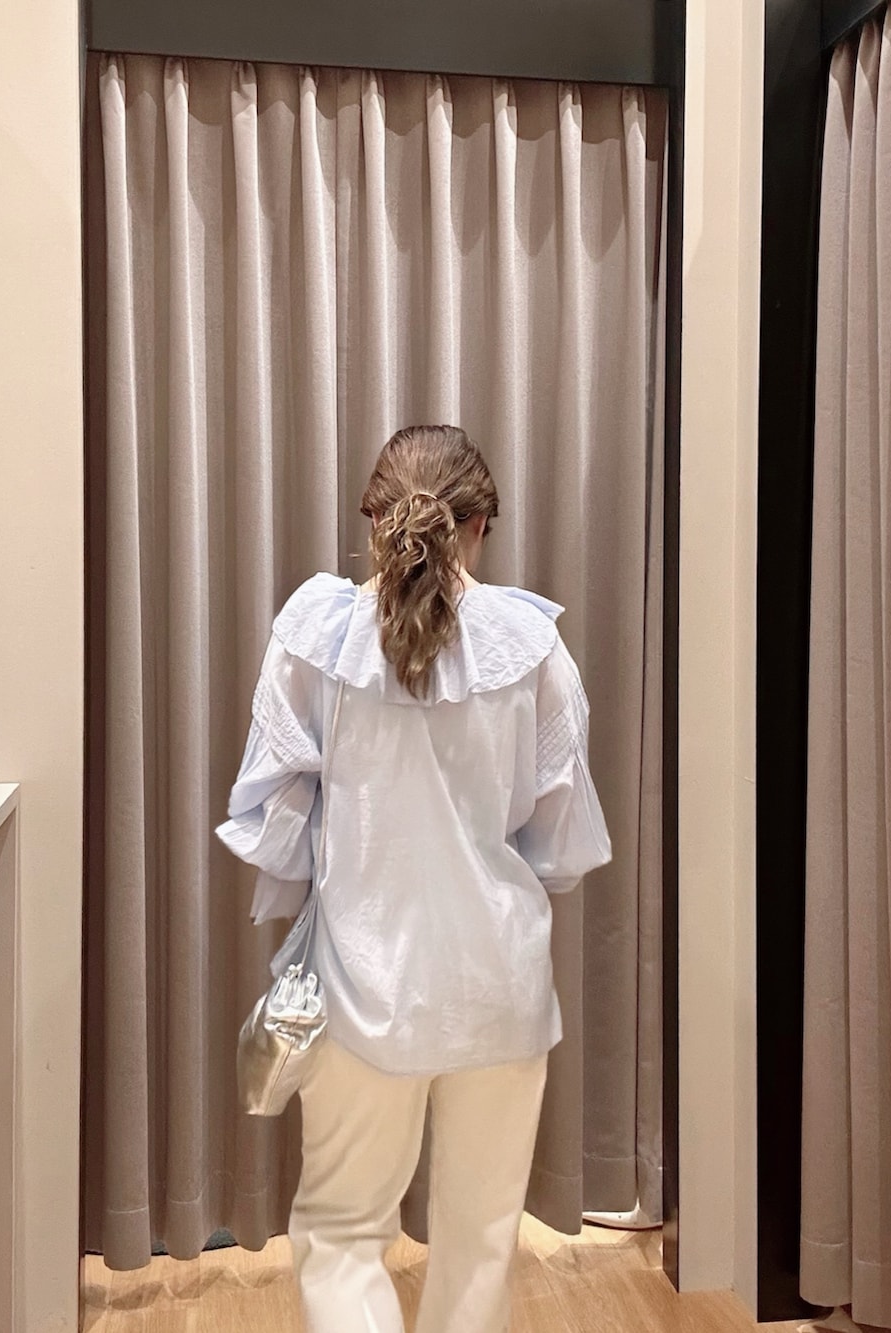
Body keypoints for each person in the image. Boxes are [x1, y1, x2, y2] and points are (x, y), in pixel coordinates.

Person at [216, 424, 612, 1333]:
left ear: (373, 521)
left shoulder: (313, 639)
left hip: (360, 988)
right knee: (480, 1245)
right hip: (497, 989)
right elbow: (558, 843)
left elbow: (274, 820)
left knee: (341, 1232)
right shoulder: (535, 648)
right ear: (480, 526)